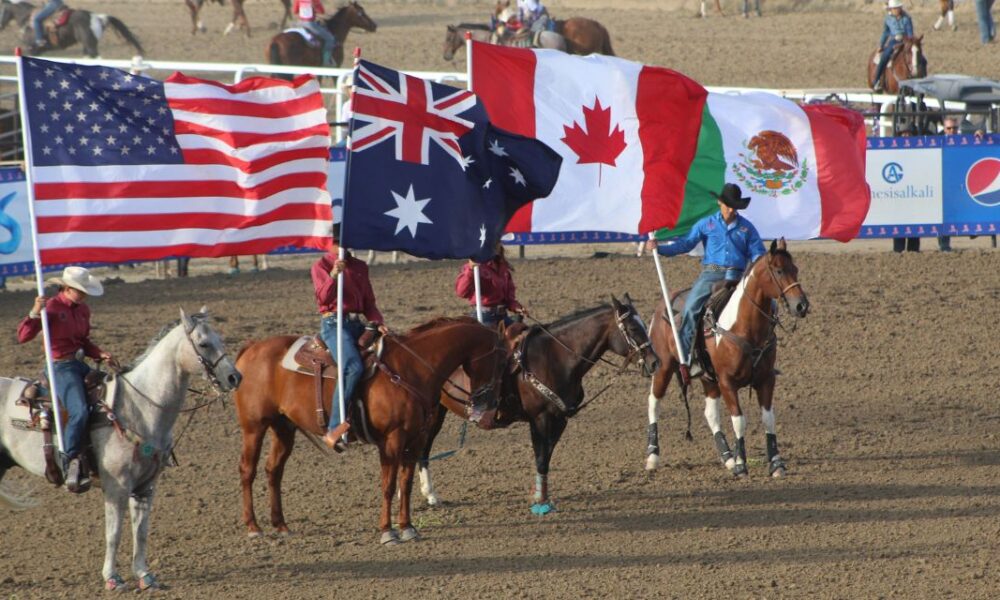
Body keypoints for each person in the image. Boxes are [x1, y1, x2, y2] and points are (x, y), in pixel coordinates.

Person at [648, 184, 765, 383]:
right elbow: (686, 243)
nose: (731, 210)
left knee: (766, 307)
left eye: (735, 206)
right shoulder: (707, 224)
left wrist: (759, 265)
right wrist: (659, 248)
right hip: (711, 274)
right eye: (728, 205)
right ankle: (687, 357)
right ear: (720, 202)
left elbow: (757, 252)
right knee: (691, 308)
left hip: (739, 275)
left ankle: (764, 356)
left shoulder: (747, 228)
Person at [16, 266, 116, 493]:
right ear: (67, 288)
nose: (84, 295)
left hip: (79, 364)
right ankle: (68, 460)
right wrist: (34, 312)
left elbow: (84, 341)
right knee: (78, 410)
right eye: (80, 291)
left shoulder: (83, 310)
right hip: (60, 366)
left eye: (85, 292)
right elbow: (23, 336)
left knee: (109, 396)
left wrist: (100, 353)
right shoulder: (50, 307)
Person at [312, 225, 388, 450]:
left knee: (391, 353)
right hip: (333, 324)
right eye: (337, 243)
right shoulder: (321, 266)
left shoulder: (360, 267)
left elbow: (369, 302)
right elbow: (323, 299)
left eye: (345, 243)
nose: (342, 247)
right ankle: (334, 427)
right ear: (330, 244)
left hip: (357, 324)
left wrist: (378, 321)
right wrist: (333, 275)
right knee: (352, 367)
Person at [455, 240, 526, 328]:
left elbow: (509, 298)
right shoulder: (475, 267)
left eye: (497, 242)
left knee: (525, 333)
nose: (496, 245)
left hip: (503, 316)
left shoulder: (502, 266)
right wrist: (471, 270)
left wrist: (516, 307)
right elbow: (462, 292)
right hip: (484, 316)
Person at [872, 0, 914, 93]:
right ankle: (877, 80)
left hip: (905, 41)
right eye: (894, 9)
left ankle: (919, 78)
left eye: (897, 8)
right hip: (893, 41)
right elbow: (886, 32)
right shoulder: (888, 19)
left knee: (917, 56)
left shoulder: (907, 18)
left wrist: (909, 41)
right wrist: (881, 45)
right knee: (885, 56)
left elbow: (910, 32)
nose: (895, 10)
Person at [294, 0, 335, 67]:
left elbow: (295, 11)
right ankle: (326, 61)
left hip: (299, 23)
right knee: (330, 39)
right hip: (310, 24)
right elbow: (322, 11)